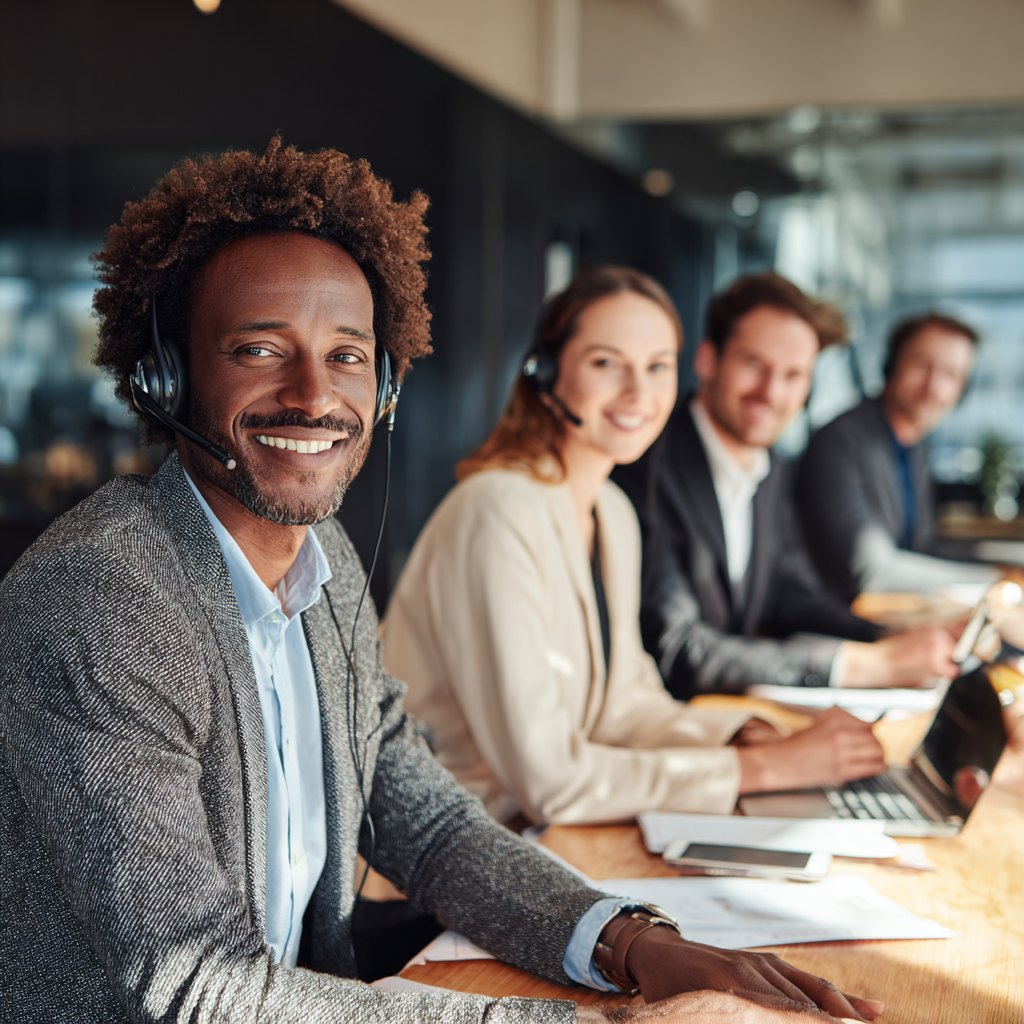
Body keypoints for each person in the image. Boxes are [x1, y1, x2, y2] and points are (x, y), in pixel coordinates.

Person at [0, 141, 883, 1024]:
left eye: (347, 355)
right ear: (166, 375)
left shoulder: (324, 561)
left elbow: (427, 823)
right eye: (261, 349)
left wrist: (636, 944)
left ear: (383, 385)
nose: (314, 393)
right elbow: (199, 983)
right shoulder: (101, 600)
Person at [380, 267, 888, 831]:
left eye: (657, 367)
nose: (637, 394)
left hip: (529, 842)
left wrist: (743, 732)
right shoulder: (497, 511)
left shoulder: (612, 514)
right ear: (546, 372)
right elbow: (552, 781)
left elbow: (627, 704)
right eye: (606, 363)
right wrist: (756, 769)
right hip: (432, 877)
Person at [614, 273, 960, 702]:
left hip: (735, 714)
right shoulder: (644, 465)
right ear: (707, 359)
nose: (771, 392)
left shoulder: (773, 468)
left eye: (793, 375)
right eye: (754, 364)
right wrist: (867, 665)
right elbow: (678, 649)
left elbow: (785, 595)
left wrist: (888, 636)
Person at [796, 312, 1000, 601]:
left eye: (952, 374)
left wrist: (1003, 568)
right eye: (922, 364)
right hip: (841, 620)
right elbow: (869, 571)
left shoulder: (916, 449)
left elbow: (923, 545)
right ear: (892, 364)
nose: (933, 386)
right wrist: (994, 583)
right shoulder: (839, 440)